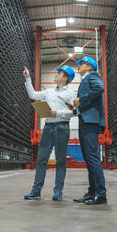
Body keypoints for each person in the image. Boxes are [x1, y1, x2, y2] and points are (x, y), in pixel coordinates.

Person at [23, 65, 77, 201]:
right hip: (47, 128)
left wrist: (56, 113)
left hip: (62, 127)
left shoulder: (71, 94)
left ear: (65, 78)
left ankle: (58, 191)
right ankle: (36, 190)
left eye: (59, 74)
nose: (56, 75)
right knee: (41, 159)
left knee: (60, 161)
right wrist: (27, 78)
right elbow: (32, 95)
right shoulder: (49, 92)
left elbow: (73, 112)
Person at [70, 56, 107, 205]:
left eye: (82, 64)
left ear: (90, 67)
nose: (79, 66)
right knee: (89, 159)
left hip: (90, 121)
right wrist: (75, 108)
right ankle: (92, 192)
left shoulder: (92, 76)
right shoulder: (85, 80)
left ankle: (101, 194)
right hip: (85, 120)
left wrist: (81, 100)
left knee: (92, 158)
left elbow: (100, 88)